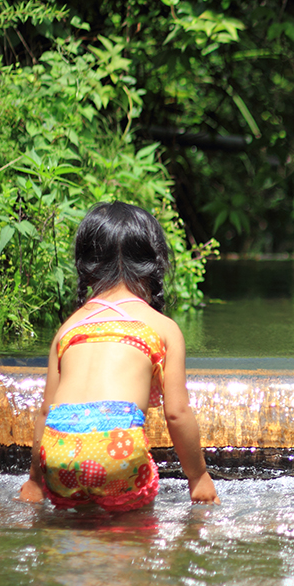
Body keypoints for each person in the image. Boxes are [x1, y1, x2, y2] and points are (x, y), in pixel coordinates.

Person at [17, 201, 220, 510]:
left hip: (59, 451)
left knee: (75, 532)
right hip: (116, 449)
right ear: (154, 264)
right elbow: (177, 413)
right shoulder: (162, 328)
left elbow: (47, 411)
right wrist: (199, 477)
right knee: (130, 537)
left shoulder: (69, 328)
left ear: (86, 264)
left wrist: (34, 480)